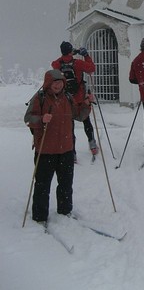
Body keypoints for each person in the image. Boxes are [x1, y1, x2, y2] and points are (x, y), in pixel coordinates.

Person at [24, 69, 91, 223]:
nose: (58, 85)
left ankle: (65, 210)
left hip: (66, 150)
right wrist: (41, 119)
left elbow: (78, 115)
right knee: (42, 185)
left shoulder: (67, 98)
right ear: (48, 83)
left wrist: (86, 105)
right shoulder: (39, 98)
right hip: (45, 150)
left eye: (60, 82)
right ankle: (40, 216)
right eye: (55, 82)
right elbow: (28, 119)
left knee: (66, 184)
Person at [52, 41, 98, 160]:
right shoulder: (77, 63)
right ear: (70, 50)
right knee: (86, 121)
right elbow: (92, 68)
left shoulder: (58, 64)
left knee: (69, 126)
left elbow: (54, 64)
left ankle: (72, 152)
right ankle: (92, 144)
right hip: (80, 98)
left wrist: (65, 56)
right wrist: (86, 55)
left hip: (67, 100)